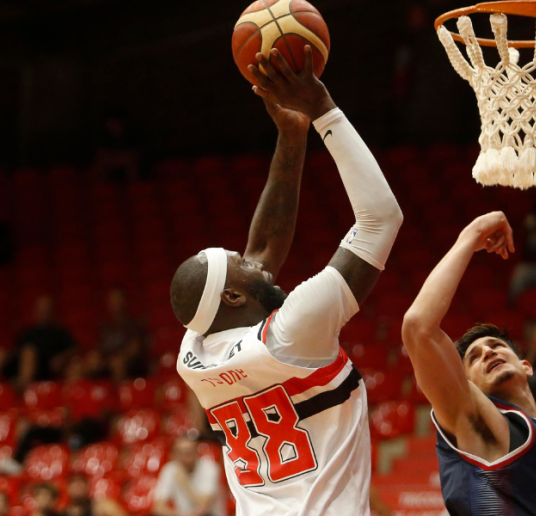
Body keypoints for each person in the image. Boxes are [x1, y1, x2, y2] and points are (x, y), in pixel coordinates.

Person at [169, 46, 402, 515]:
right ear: (232, 294)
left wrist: (291, 137)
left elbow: (259, 257)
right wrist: (323, 112)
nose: (250, 256)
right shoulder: (291, 332)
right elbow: (380, 220)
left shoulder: (192, 355)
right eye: (239, 261)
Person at [402, 212, 536, 515]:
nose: (488, 353)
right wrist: (473, 233)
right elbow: (418, 327)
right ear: (469, 384)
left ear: (526, 367)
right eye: (474, 358)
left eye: (496, 346)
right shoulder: (481, 423)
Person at [0, 295, 77, 389]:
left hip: (43, 368)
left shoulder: (60, 332)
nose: (43, 311)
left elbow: (74, 350)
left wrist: (61, 358)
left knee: (28, 352)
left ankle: (23, 386)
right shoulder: (28, 331)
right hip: (20, 364)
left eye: (46, 308)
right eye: (41, 309)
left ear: (53, 311)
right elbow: (15, 350)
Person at [86, 288, 148, 382]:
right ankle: (91, 395)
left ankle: (121, 395)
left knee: (117, 363)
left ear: (124, 301)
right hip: (108, 359)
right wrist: (96, 357)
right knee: (89, 362)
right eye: (112, 300)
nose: (115, 303)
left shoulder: (133, 323)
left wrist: (118, 357)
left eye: (117, 299)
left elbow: (134, 349)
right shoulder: (106, 326)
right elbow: (100, 348)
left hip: (128, 362)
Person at [153, 438, 225, 516]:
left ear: (196, 452)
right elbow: (158, 507)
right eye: (180, 453)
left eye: (188, 452)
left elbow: (203, 506)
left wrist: (184, 481)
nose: (184, 457)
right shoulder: (170, 469)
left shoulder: (210, 468)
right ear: (173, 455)